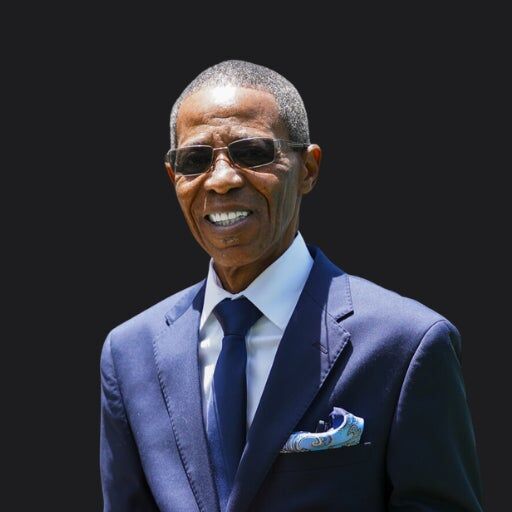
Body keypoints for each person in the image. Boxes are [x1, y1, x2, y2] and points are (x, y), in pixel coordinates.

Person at [99, 59, 483, 512]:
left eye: (252, 152)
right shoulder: (131, 353)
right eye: (195, 160)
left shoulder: (406, 344)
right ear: (174, 179)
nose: (221, 180)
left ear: (308, 169)